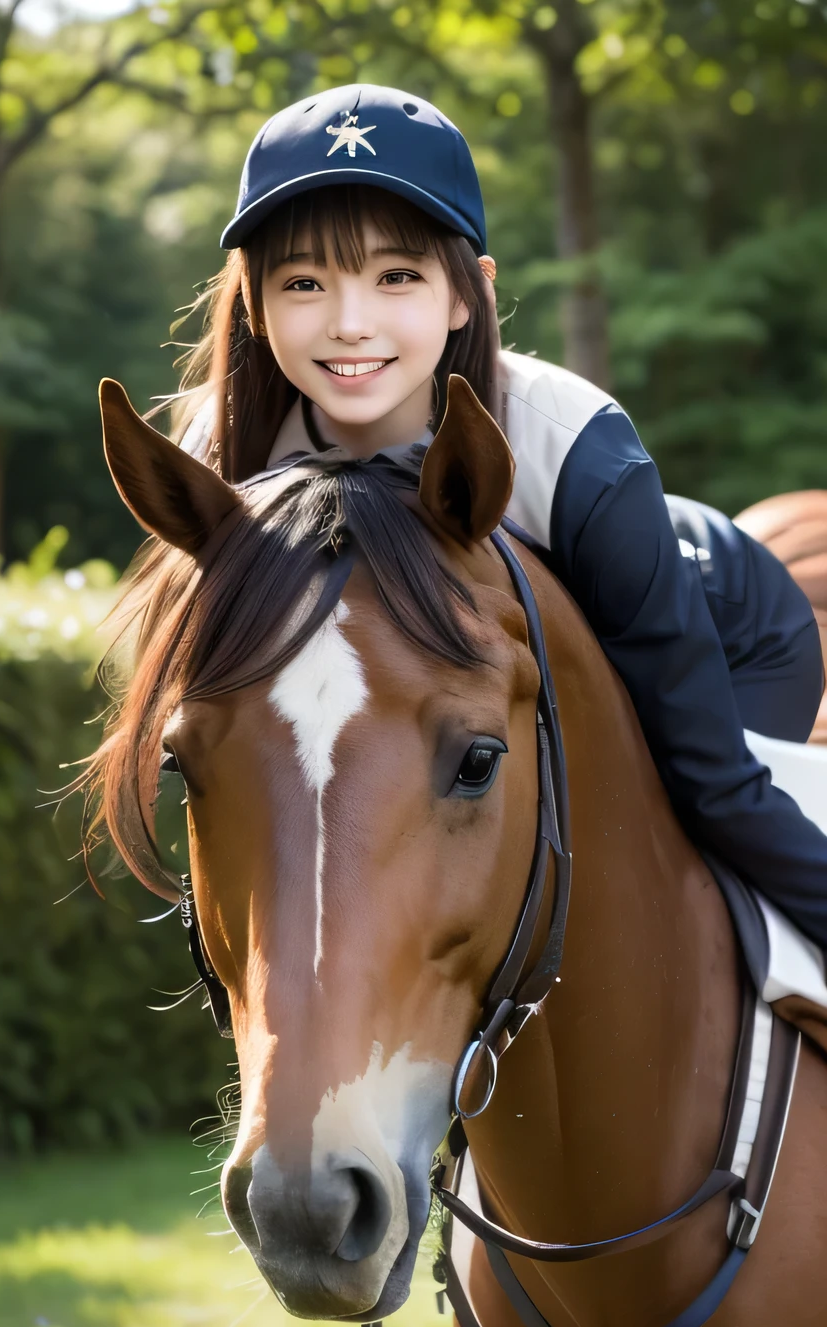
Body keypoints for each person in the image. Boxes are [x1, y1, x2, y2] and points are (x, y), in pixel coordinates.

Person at [174, 82, 827, 965]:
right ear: (252, 300)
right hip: (517, 673)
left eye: (396, 275)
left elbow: (717, 778)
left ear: (465, 292)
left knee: (672, 829)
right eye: (304, 282)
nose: (349, 322)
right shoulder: (222, 453)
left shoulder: (575, 444)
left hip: (725, 630)